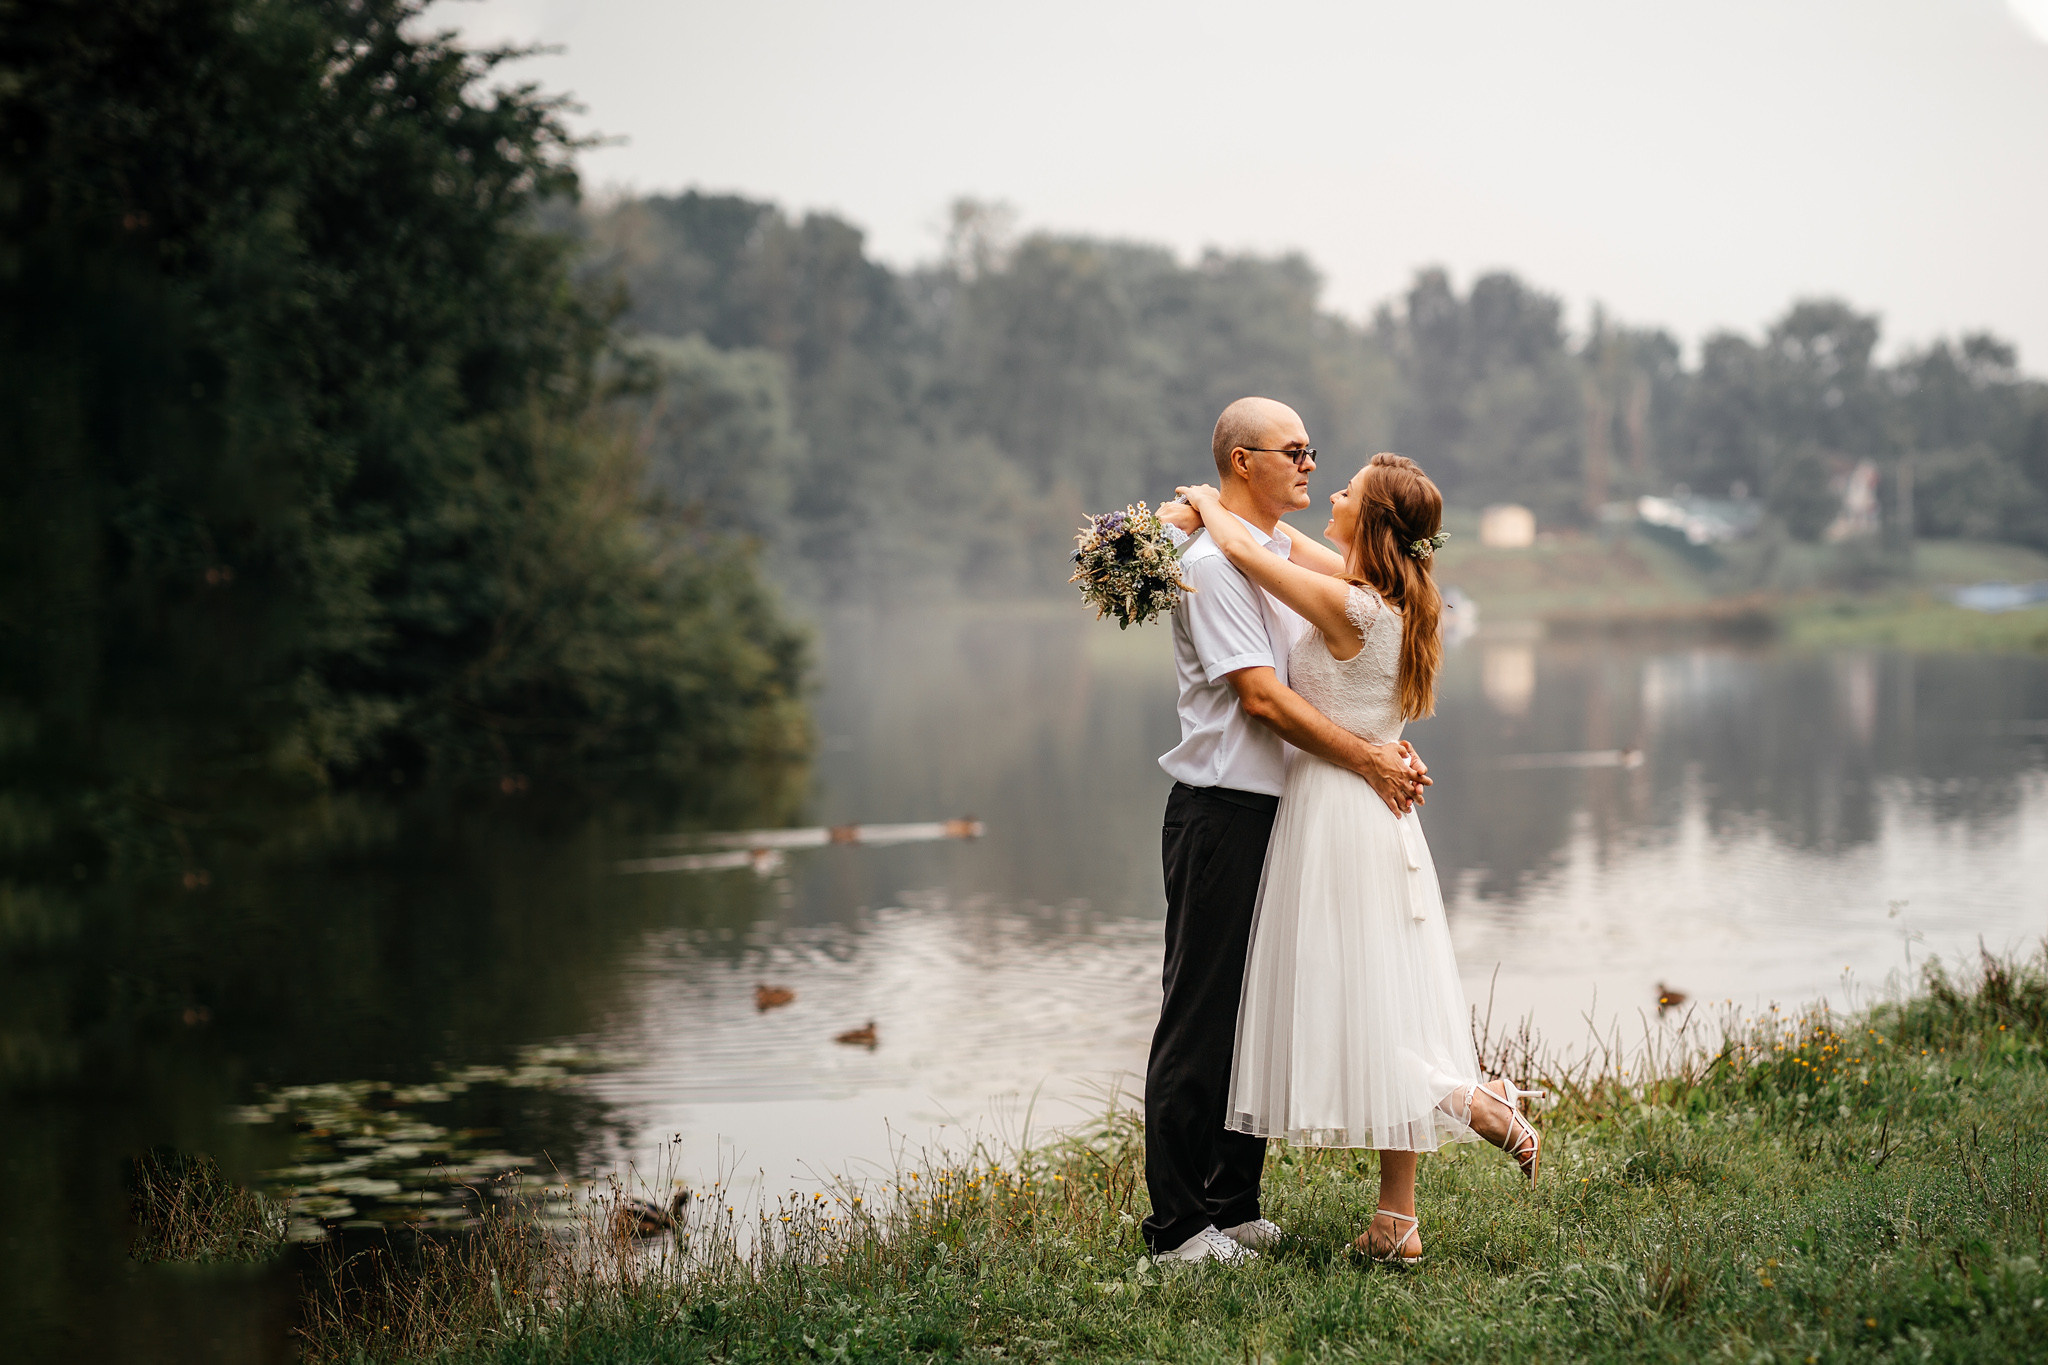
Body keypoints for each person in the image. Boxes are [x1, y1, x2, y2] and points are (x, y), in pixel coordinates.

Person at [1174, 448, 1544, 1266]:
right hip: (1378, 813)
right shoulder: (1391, 594)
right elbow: (1278, 543)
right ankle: (1395, 1220)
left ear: (1370, 521)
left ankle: (1471, 1099)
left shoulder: (1352, 606)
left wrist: (1206, 499)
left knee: (1336, 999)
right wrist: (1196, 516)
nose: (1330, 491)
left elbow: (1245, 552)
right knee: (1384, 998)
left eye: (1346, 490)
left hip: (1338, 812)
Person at [1142, 397, 1428, 1266]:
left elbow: (1346, 652)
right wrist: (1370, 756)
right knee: (1201, 1014)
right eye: (1294, 451)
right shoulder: (1214, 564)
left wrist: (1380, 743)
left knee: (1255, 1009)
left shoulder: (1270, 554)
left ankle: (1233, 1203)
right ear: (1243, 461)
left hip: (1287, 809)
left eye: (1313, 451)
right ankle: (1179, 1227)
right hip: (1222, 808)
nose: (1310, 464)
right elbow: (1264, 699)